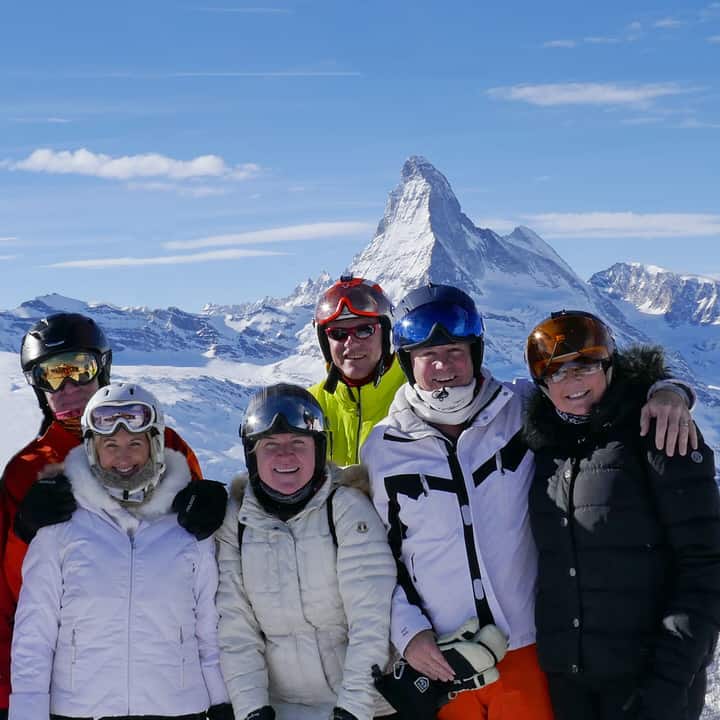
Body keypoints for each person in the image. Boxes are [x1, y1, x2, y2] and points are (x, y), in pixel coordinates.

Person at [361, 285, 695, 720]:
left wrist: (668, 391)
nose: (443, 366)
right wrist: (407, 634)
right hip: (444, 660)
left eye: (455, 350)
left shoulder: (522, 407)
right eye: (427, 355)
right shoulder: (383, 448)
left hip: (531, 653)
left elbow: (598, 389)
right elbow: (378, 558)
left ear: (476, 351)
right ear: (407, 363)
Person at [0, 312, 227, 718]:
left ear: (102, 369)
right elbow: (13, 599)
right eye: (53, 375)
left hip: (167, 683)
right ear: (38, 386)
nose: (68, 388)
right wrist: (23, 533)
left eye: (80, 371)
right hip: (75, 686)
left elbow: (198, 569)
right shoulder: (26, 469)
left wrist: (212, 512)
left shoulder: (167, 445)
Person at [523, 310, 720, 720]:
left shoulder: (659, 434)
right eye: (557, 372)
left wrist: (667, 683)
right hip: (571, 685)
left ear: (609, 365)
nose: (573, 382)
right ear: (541, 384)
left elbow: (706, 565)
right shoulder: (544, 449)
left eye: (585, 366)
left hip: (649, 684)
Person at [215, 383, 396, 720]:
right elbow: (236, 630)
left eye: (298, 442)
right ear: (251, 454)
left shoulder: (345, 508)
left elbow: (372, 620)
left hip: (367, 706)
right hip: (285, 708)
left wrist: (353, 711)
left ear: (319, 447)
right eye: (270, 445)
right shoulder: (237, 522)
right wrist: (253, 710)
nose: (285, 456)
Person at [309, 275, 406, 465]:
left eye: (364, 330)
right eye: (337, 334)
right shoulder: (310, 406)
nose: (350, 343)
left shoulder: (416, 398)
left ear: (387, 335)